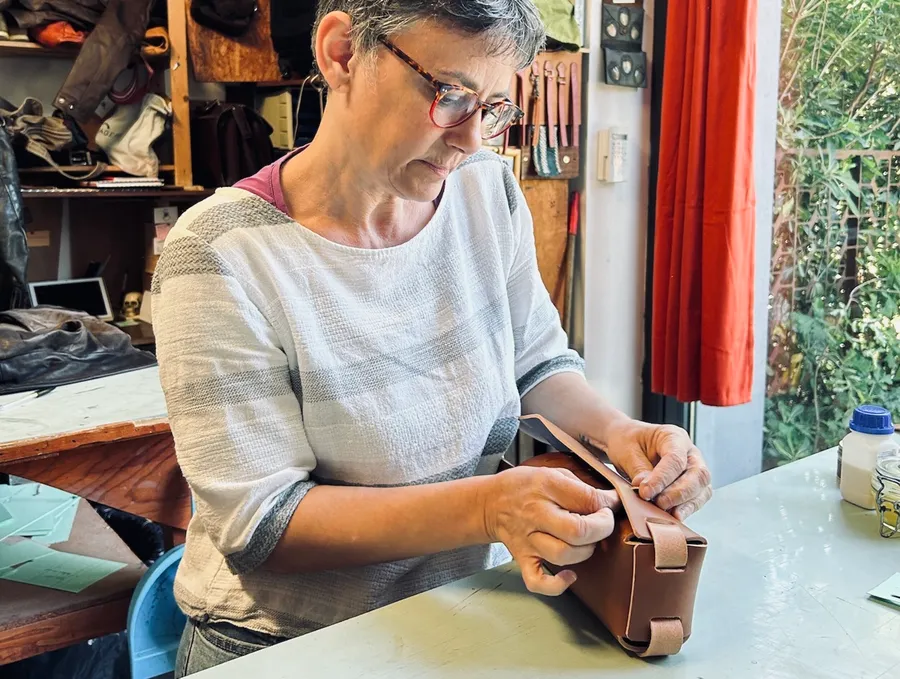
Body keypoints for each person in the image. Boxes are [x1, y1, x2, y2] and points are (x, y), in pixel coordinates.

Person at [153, 2, 713, 676]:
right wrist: (488, 509)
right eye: (450, 95)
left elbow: (536, 361)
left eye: (496, 107)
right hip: (284, 647)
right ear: (340, 54)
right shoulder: (220, 252)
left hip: (456, 616)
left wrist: (620, 433)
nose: (472, 138)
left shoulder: (485, 189)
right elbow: (261, 524)